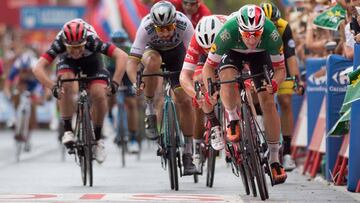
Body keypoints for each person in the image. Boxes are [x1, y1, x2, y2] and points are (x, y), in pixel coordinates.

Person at [202, 4, 287, 184]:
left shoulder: (271, 35)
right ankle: (233, 118)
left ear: (262, 29)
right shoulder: (228, 32)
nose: (251, 39)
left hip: (260, 55)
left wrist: (274, 83)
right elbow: (208, 67)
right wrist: (211, 89)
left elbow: (281, 70)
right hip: (233, 53)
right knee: (227, 78)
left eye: (256, 34)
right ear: (239, 28)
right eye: (247, 34)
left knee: (268, 101)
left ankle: (274, 158)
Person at [32, 18, 128, 164]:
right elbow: (37, 68)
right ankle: (68, 130)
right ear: (65, 44)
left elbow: (122, 56)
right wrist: (52, 87)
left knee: (99, 93)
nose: (76, 51)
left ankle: (98, 139)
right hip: (67, 62)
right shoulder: (58, 44)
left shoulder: (92, 41)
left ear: (85, 41)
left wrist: (115, 82)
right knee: (66, 83)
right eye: (72, 47)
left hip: (92, 62)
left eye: (79, 47)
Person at [126, 1, 197, 175]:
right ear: (154, 26)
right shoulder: (146, 27)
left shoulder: (184, 24)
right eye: (160, 29)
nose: (165, 33)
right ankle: (150, 109)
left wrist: (194, 80)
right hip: (153, 52)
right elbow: (132, 61)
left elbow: (195, 57)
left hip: (177, 54)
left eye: (169, 28)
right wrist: (136, 82)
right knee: (153, 62)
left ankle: (188, 153)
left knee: (185, 101)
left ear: (175, 23)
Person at [260, 2, 304, 172]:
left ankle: (287, 152)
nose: (272, 27)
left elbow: (290, 55)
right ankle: (262, 140)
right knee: (264, 101)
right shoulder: (253, 27)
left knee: (285, 102)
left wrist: (296, 79)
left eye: (274, 23)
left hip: (280, 64)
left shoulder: (284, 26)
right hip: (261, 62)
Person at [179, 15, 227, 170]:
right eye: (204, 46)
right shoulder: (197, 39)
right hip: (205, 60)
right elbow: (184, 76)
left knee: (232, 79)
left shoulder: (229, 30)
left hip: (227, 49)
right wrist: (196, 94)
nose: (208, 50)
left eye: (209, 46)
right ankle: (214, 124)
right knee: (200, 80)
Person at [108, 29, 140, 153]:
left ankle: (133, 138)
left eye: (121, 41)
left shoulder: (130, 49)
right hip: (112, 71)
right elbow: (104, 68)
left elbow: (136, 66)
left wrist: (136, 81)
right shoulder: (108, 50)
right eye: (116, 41)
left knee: (131, 103)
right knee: (108, 93)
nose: (119, 43)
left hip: (127, 73)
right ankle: (110, 115)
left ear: (125, 40)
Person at [4, 46, 40, 150]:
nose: (24, 73)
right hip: (20, 87)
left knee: (33, 106)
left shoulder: (35, 67)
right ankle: (15, 119)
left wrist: (41, 95)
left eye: (26, 71)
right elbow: (8, 83)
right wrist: (8, 94)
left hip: (33, 88)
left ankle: (29, 135)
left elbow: (42, 85)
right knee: (15, 96)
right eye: (22, 71)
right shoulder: (17, 66)